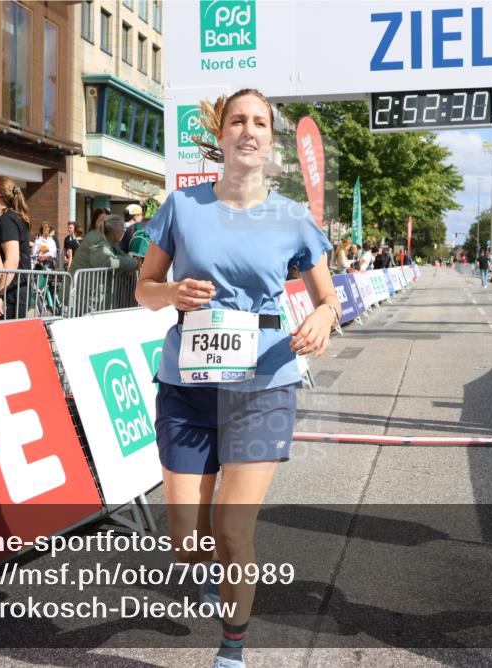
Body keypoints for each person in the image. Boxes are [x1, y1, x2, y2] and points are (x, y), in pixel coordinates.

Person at [134, 88, 340, 668]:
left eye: (260, 123)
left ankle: (232, 648)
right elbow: (143, 289)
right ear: (220, 135)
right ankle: (207, 576)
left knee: (232, 533)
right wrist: (171, 292)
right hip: (188, 389)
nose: (249, 130)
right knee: (187, 542)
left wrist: (323, 317)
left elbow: (327, 299)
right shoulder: (182, 205)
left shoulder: (293, 217)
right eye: (237, 121)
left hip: (263, 385)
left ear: (269, 139)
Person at [0, 174, 31, 319]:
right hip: (13, 290)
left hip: (12, 292)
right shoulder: (7, 218)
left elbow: (12, 260)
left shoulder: (7, 220)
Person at [71, 214, 136, 273]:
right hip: (81, 284)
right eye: (122, 229)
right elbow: (108, 262)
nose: (123, 231)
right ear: (115, 232)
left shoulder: (105, 239)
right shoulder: (99, 242)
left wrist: (132, 261)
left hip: (83, 283)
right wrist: (133, 263)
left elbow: (119, 252)